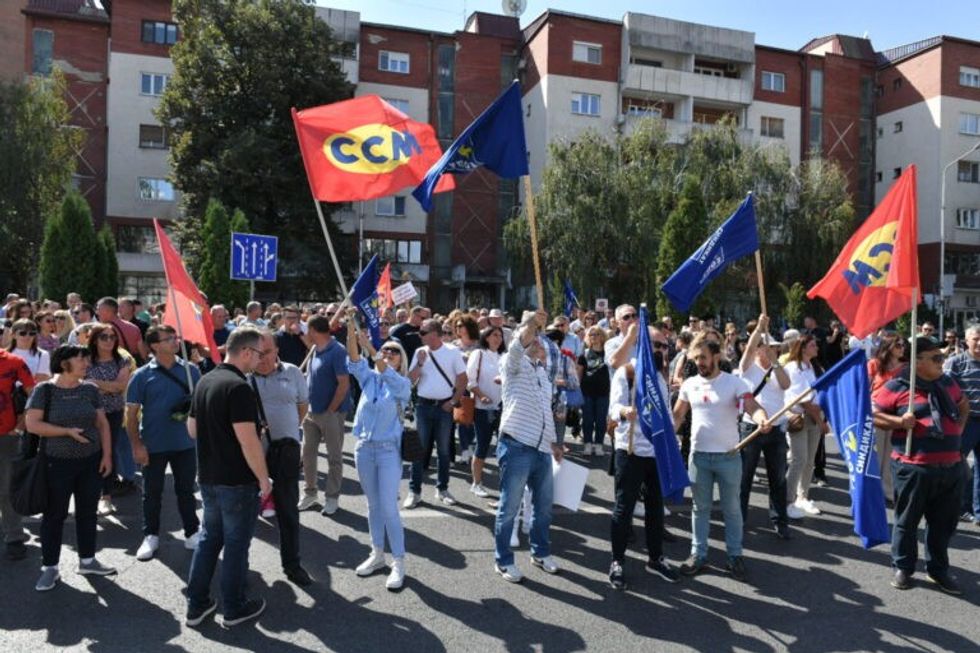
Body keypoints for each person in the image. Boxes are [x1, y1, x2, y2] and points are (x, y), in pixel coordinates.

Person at [185, 327, 271, 627]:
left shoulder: (205, 380)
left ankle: (196, 604)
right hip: (236, 479)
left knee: (209, 539)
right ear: (246, 351)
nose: (260, 360)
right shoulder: (239, 387)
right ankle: (233, 608)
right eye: (259, 354)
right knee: (235, 543)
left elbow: (192, 429)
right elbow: (248, 440)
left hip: (208, 476)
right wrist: (263, 478)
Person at [873, 337, 968, 594]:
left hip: (951, 467)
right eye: (936, 358)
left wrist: (957, 430)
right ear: (917, 362)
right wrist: (899, 422)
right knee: (907, 521)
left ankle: (938, 570)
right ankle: (903, 566)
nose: (942, 362)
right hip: (913, 467)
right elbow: (875, 414)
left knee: (943, 523)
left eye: (942, 357)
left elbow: (963, 404)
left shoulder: (947, 382)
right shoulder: (897, 385)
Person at [673, 338, 770, 581]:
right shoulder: (689, 384)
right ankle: (698, 554)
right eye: (696, 359)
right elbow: (676, 416)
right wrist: (660, 441)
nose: (699, 363)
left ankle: (735, 556)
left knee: (732, 509)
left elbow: (751, 405)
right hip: (699, 457)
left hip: (729, 456)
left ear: (716, 356)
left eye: (703, 358)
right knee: (700, 509)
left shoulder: (733, 382)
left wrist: (761, 418)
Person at [25, 345, 115, 591]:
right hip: (57, 463)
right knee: (55, 515)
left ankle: (88, 560)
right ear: (64, 362)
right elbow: (32, 424)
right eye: (81, 359)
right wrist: (65, 432)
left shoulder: (90, 389)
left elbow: (102, 424)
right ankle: (50, 567)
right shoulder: (46, 390)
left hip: (91, 461)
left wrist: (107, 455)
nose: (86, 363)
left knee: (87, 512)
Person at [493, 310, 563, 583]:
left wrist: (554, 442)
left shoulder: (543, 376)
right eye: (532, 340)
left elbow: (546, 411)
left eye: (539, 343)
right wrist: (533, 322)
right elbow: (518, 344)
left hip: (542, 450)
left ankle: (540, 552)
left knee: (543, 508)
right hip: (516, 445)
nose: (536, 344)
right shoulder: (511, 365)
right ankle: (503, 560)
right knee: (509, 508)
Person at [345, 315, 411, 590]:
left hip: (387, 451)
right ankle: (377, 554)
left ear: (401, 360)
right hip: (364, 448)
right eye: (386, 350)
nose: (388, 353)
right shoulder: (370, 378)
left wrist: (372, 349)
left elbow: (379, 366)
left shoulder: (402, 384)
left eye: (394, 351)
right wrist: (351, 329)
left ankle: (399, 561)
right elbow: (354, 360)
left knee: (388, 507)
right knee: (372, 506)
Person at [126, 325, 202, 561]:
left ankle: (192, 532)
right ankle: (151, 536)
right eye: (168, 338)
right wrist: (136, 446)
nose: (175, 341)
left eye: (175, 337)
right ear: (155, 346)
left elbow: (201, 407)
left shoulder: (192, 371)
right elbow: (131, 416)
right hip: (153, 444)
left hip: (186, 443)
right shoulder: (141, 375)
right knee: (152, 493)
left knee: (186, 491)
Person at [607, 354, 680, 591]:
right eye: (655, 344)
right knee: (624, 507)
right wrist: (625, 410)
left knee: (655, 507)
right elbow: (613, 408)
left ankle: (655, 558)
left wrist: (671, 440)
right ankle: (617, 561)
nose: (660, 349)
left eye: (663, 345)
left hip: (655, 452)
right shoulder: (626, 372)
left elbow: (666, 412)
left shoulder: (659, 376)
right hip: (630, 450)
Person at [250, 330, 312, 586]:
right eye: (257, 353)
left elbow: (302, 406)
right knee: (245, 514)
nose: (262, 358)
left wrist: (288, 433)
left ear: (277, 351)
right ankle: (241, 569)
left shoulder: (293, 372)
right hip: (252, 456)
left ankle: (292, 564)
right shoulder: (243, 377)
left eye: (267, 352)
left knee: (288, 511)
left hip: (285, 452)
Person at [736, 316, 792, 540]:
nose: (773, 351)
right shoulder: (747, 368)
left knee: (778, 477)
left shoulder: (779, 369)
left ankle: (779, 520)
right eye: (768, 347)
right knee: (744, 477)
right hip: (751, 428)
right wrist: (759, 329)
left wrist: (775, 362)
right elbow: (748, 349)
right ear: (759, 349)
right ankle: (738, 519)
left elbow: (786, 385)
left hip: (776, 430)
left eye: (776, 348)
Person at [404, 319, 466, 508]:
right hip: (423, 406)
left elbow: (463, 379)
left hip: (444, 407)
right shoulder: (419, 353)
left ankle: (443, 488)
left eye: (423, 332)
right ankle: (414, 492)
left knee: (444, 451)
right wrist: (420, 363)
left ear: (434, 333)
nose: (420, 336)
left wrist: (454, 401)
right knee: (418, 451)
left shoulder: (452, 352)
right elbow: (410, 380)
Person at [299, 315, 351, 515]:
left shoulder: (337, 351)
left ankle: (332, 497)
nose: (306, 333)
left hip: (332, 413)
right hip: (311, 412)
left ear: (313, 331)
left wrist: (331, 410)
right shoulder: (314, 349)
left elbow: (343, 383)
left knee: (334, 458)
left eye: (307, 330)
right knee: (308, 454)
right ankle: (310, 494)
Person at [85, 323, 134, 517]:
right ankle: (88, 494)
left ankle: (106, 496)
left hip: (113, 413)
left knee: (108, 451)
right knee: (87, 452)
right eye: (104, 337)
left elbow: (120, 387)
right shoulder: (85, 358)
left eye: (112, 337)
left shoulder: (122, 360)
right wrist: (107, 386)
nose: (109, 340)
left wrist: (94, 384)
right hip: (87, 413)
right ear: (95, 339)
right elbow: (78, 381)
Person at [784, 335, 827, 519]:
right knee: (799, 459)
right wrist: (821, 422)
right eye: (812, 345)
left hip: (814, 417)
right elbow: (803, 401)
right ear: (802, 348)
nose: (816, 347)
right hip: (800, 418)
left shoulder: (813, 367)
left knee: (810, 460)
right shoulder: (793, 368)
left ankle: (803, 496)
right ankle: (787, 501)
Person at [942, 324, 980, 524]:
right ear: (967, 341)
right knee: (956, 465)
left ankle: (977, 511)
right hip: (965, 422)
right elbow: (944, 392)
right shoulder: (955, 362)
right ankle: (953, 507)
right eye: (976, 339)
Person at [0, 346, 35, 561]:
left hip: (7, 435)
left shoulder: (14, 362)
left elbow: (34, 394)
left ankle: (13, 536)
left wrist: (21, 425)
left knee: (7, 488)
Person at [869, 334, 907, 503]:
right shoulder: (874, 364)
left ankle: (888, 490)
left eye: (903, 344)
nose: (902, 347)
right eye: (898, 345)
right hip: (876, 412)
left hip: (896, 413)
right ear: (888, 347)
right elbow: (864, 387)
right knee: (876, 454)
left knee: (891, 454)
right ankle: (873, 490)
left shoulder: (906, 367)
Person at [468, 326, 504, 497]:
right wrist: (481, 396)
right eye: (494, 335)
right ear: (486, 337)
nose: (498, 338)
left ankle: (506, 485)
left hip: (502, 408)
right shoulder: (479, 354)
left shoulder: (504, 357)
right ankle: (476, 483)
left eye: (500, 335)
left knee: (504, 448)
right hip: (482, 409)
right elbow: (470, 381)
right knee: (482, 445)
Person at [578, 326, 611, 456]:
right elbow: (579, 374)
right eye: (591, 334)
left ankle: (598, 445)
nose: (593, 337)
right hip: (587, 392)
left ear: (602, 336)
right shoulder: (584, 354)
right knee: (587, 419)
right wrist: (577, 391)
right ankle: (587, 444)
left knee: (601, 420)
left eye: (596, 334)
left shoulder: (608, 353)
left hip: (603, 392)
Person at [96, 297, 146, 364]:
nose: (97, 313)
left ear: (108, 311)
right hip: (132, 366)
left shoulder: (102, 329)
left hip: (111, 367)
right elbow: (143, 353)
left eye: (98, 309)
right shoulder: (133, 327)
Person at [9, 318, 51, 383]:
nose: (27, 336)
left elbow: (41, 379)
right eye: (23, 333)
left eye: (32, 333)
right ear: (13, 335)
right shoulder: (4, 354)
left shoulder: (43, 354)